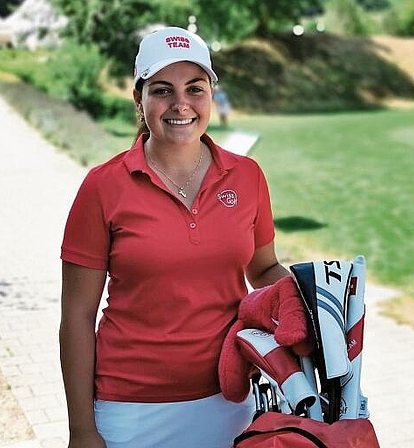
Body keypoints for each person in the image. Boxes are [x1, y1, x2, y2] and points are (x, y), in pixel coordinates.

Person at [59, 27, 292, 448]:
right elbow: (77, 318)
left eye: (195, 88)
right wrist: (81, 430)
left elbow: (263, 268)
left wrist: (311, 299)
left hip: (229, 400)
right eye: (163, 90)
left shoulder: (247, 176)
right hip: (129, 410)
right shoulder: (102, 187)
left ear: (211, 95)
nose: (180, 104)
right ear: (139, 99)